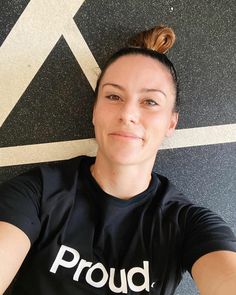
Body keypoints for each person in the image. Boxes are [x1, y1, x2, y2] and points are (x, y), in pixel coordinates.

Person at [0, 25, 236, 295]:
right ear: (94, 111)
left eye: (150, 102)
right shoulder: (37, 193)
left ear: (171, 122)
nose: (128, 114)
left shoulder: (187, 224)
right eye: (113, 96)